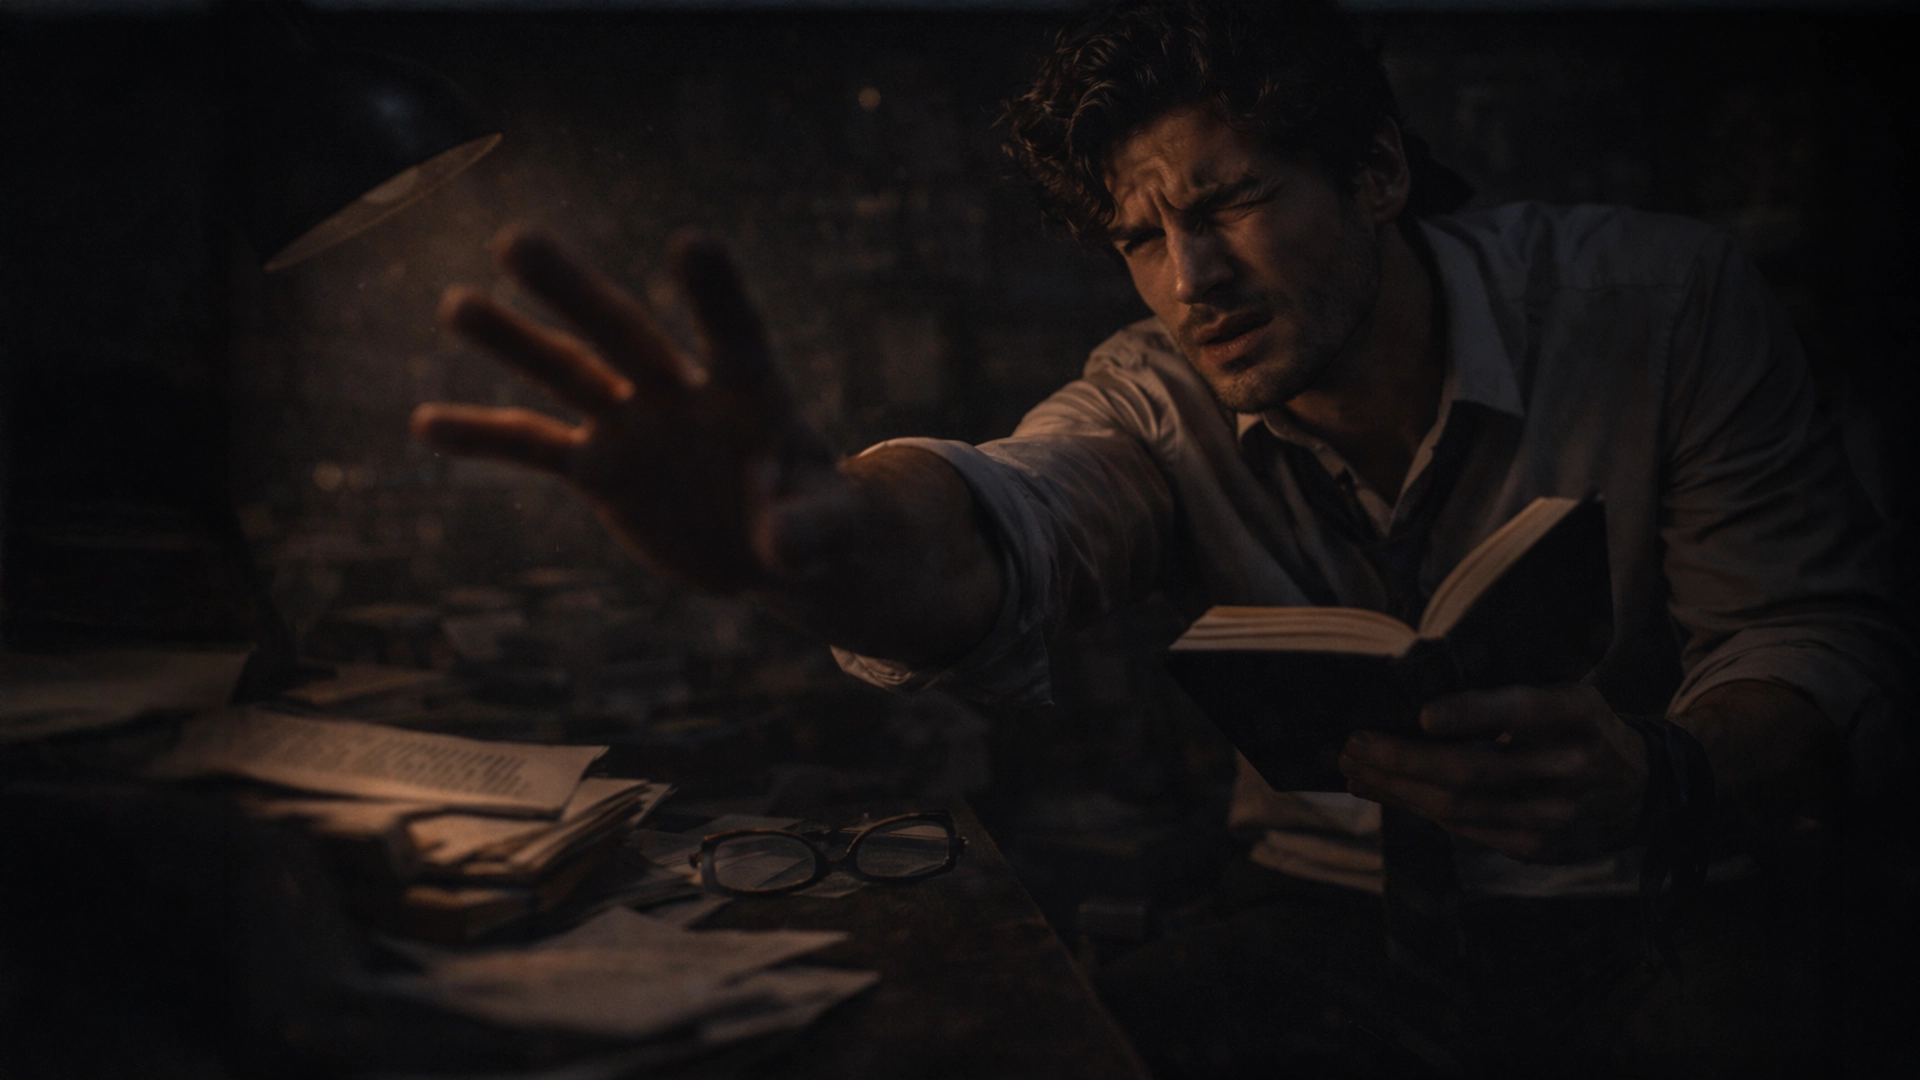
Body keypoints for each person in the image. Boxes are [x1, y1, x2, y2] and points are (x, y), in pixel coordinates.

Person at [410, 2, 1911, 1075]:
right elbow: (1010, 512)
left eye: (1235, 202)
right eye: (1141, 238)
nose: (1192, 280)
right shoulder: (1154, 396)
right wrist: (818, 540)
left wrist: (1664, 774)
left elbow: (1814, 633)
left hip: (1672, 904)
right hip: (1326, 924)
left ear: (1378, 174)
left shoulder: (1659, 303)